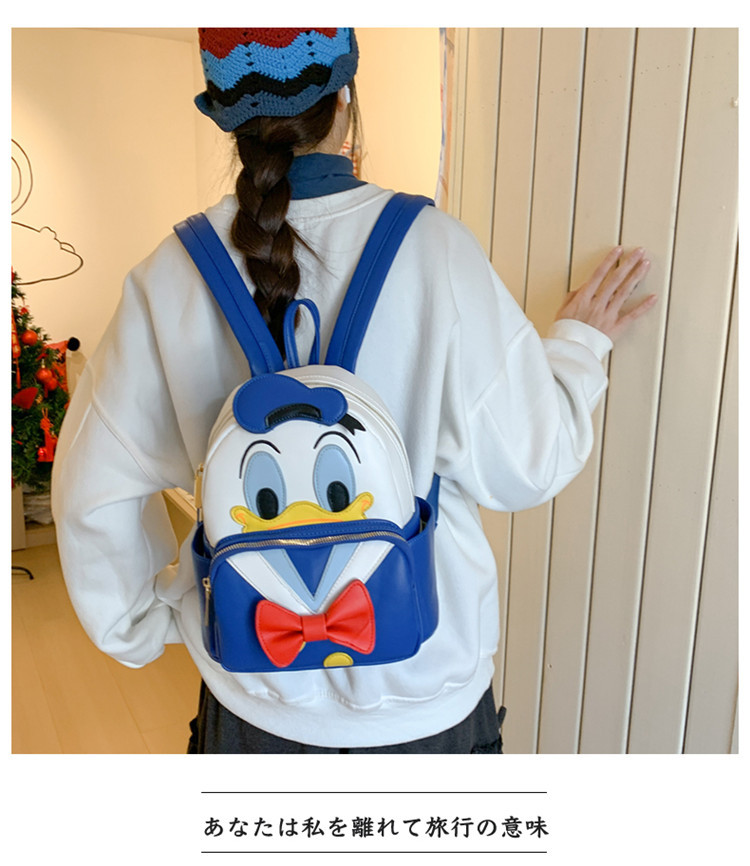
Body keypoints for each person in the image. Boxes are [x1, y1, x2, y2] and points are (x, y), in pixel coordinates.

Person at [51, 28, 655, 754]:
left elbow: (91, 494)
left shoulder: (168, 276)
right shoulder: (436, 250)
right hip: (428, 705)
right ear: (344, 96)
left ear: (223, 115)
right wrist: (579, 348)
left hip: (252, 708)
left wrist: (150, 623)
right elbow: (530, 462)